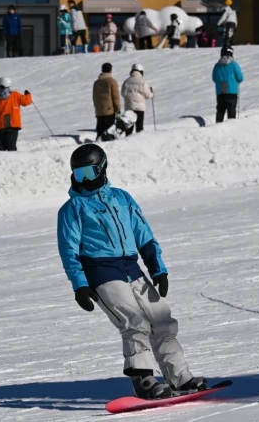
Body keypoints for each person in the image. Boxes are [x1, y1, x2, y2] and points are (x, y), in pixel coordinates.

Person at [57, 144, 207, 399]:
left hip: (131, 267)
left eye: (89, 173)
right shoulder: (72, 209)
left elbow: (143, 234)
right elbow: (69, 251)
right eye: (79, 174)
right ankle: (144, 381)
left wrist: (157, 268)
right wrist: (80, 285)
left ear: (102, 168)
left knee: (162, 321)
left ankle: (180, 379)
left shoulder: (122, 198)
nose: (84, 180)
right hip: (101, 271)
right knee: (134, 322)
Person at [0, 77, 32, 151]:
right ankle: (11, 160)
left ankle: (0, 160)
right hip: (13, 124)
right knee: (11, 145)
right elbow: (26, 102)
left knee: (1, 146)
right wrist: (28, 95)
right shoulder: (15, 95)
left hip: (1, 125)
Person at [211, 46, 243, 123]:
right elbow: (240, 78)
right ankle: (231, 129)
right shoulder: (234, 64)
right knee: (231, 112)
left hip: (220, 92)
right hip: (232, 92)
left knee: (220, 111)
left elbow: (214, 78)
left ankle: (217, 127)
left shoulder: (217, 66)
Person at [121, 64, 154, 135]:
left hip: (129, 107)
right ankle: (139, 143)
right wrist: (152, 94)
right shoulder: (142, 81)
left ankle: (127, 142)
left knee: (129, 128)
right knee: (139, 128)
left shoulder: (126, 81)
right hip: (139, 108)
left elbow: (123, 93)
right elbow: (147, 94)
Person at [92, 63, 121, 141]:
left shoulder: (96, 83)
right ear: (110, 70)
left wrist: (97, 108)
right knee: (108, 132)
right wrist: (118, 109)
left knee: (100, 131)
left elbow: (94, 97)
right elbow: (116, 98)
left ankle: (97, 144)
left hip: (99, 111)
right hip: (109, 111)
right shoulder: (112, 82)